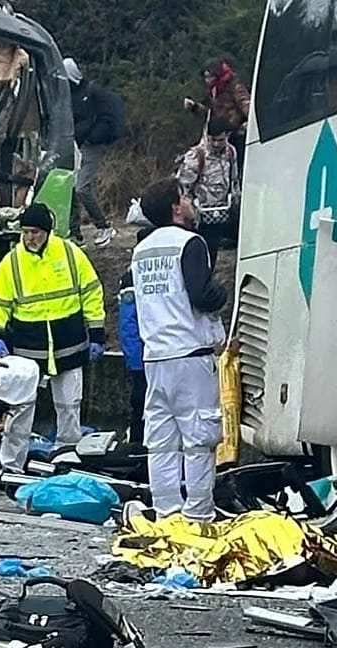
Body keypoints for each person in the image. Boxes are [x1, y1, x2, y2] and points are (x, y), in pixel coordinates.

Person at [129, 178, 229, 522]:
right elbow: (201, 295)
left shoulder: (141, 251)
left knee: (161, 439)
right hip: (189, 353)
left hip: (155, 356)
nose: (189, 201)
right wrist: (223, 294)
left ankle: (167, 514)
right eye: (185, 197)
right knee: (199, 438)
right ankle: (199, 515)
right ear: (175, 207)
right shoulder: (190, 243)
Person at [0, 202, 106, 474]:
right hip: (28, 350)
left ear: (48, 232)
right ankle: (11, 467)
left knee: (69, 405)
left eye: (35, 232)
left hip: (69, 346)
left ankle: (67, 460)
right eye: (26, 232)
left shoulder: (70, 254)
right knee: (21, 409)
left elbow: (91, 292)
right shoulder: (12, 262)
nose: (30, 238)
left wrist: (97, 333)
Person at [64, 57, 124, 248]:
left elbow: (105, 117)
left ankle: (104, 226)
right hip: (75, 144)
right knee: (70, 188)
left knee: (82, 187)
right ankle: (75, 233)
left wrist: (93, 136)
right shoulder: (65, 94)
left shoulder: (91, 91)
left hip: (91, 145)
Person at [175, 117, 241, 268]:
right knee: (196, 255)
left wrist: (234, 202)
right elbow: (183, 188)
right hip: (198, 216)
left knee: (212, 253)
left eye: (220, 140)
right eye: (213, 140)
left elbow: (234, 180)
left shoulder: (231, 152)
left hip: (220, 213)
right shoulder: (196, 156)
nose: (217, 144)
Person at [116, 224, 156, 449]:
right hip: (144, 356)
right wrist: (136, 361)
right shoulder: (132, 278)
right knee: (140, 403)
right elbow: (128, 323)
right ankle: (136, 445)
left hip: (154, 353)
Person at [183, 58, 251, 173]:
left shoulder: (234, 85)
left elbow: (246, 104)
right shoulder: (214, 90)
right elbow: (211, 115)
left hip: (236, 134)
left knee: (238, 167)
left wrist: (250, 123)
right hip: (221, 135)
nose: (207, 80)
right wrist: (195, 107)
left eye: (210, 77)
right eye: (205, 77)